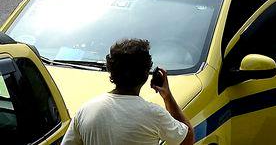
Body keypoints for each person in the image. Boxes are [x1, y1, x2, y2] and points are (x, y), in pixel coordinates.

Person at [63, 38, 192, 145]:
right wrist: (167, 97)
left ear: (111, 71)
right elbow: (187, 140)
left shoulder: (85, 110)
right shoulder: (155, 115)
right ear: (146, 74)